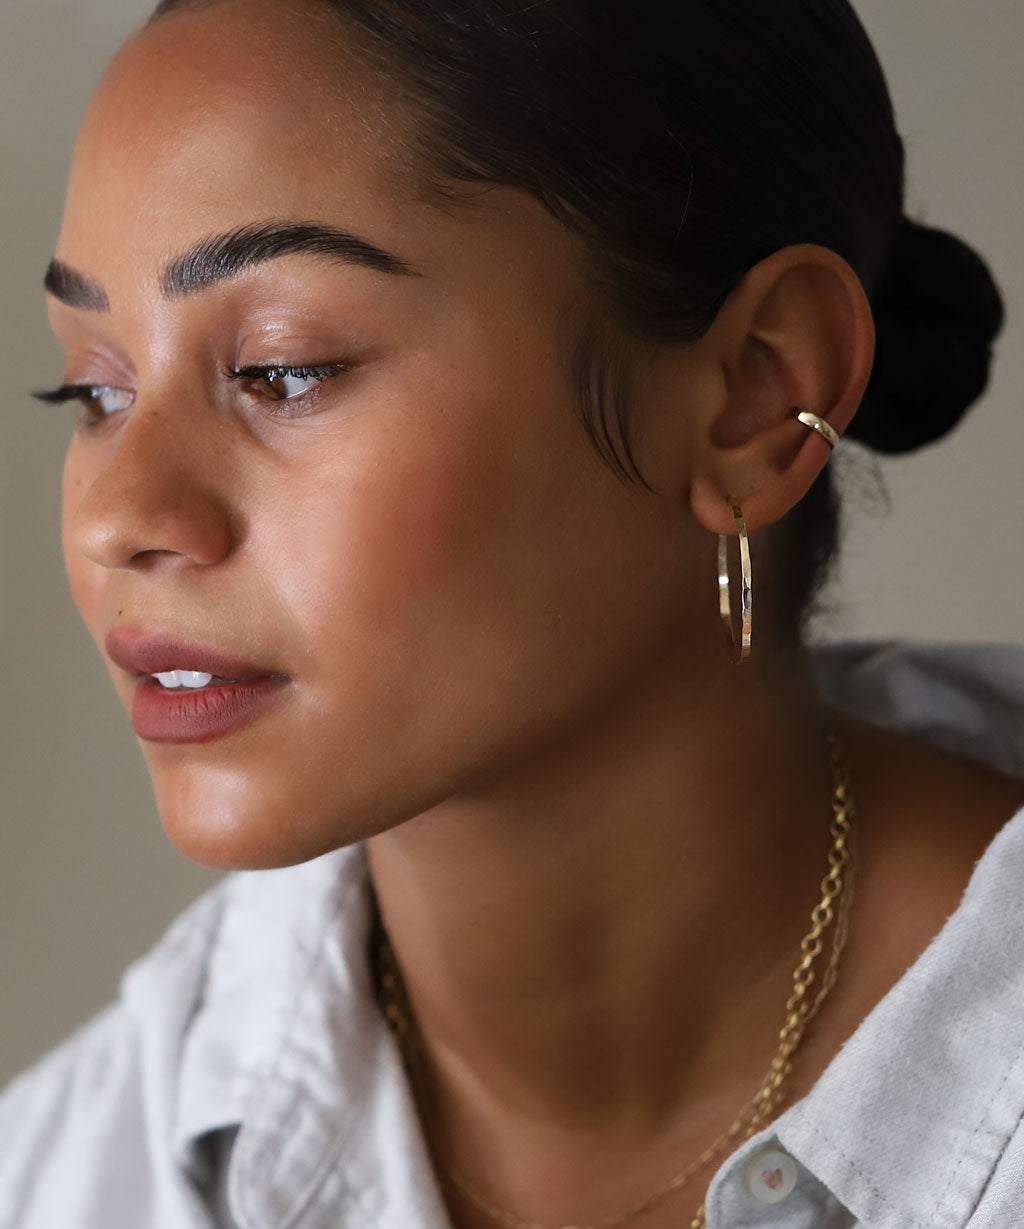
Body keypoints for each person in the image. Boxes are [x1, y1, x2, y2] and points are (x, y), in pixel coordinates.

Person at [2, 0, 1022, 1226]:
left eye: (283, 366)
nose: (120, 515)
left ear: (757, 393)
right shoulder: (68, 1174)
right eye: (93, 387)